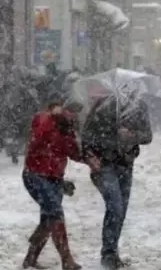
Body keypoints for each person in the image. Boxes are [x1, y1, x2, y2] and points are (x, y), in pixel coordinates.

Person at [22, 98, 98, 270]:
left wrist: (89, 160)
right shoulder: (44, 119)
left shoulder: (68, 131)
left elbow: (73, 152)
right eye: (70, 112)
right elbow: (38, 134)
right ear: (62, 109)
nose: (72, 117)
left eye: (75, 115)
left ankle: (30, 259)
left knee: (48, 219)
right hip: (35, 175)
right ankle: (67, 259)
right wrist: (52, 114)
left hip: (55, 178)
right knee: (55, 214)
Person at [81, 92, 152, 269]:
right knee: (115, 206)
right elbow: (87, 135)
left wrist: (130, 135)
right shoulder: (102, 106)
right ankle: (108, 254)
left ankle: (112, 252)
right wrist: (91, 155)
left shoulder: (139, 107)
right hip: (104, 164)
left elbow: (147, 136)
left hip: (126, 165)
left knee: (121, 211)